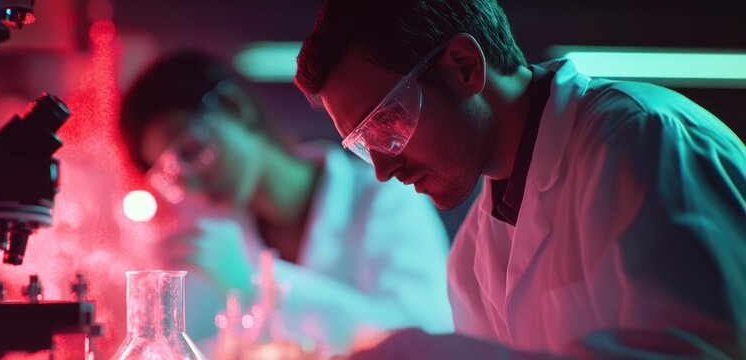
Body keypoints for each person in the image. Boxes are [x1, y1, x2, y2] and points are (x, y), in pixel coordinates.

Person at [294, 0, 746, 358]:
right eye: (362, 142)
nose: (381, 168)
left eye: (387, 125)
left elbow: (708, 349)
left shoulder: (644, 141)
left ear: (465, 66)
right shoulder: (472, 253)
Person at [118, 49, 454, 356]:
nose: (192, 181)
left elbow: (423, 335)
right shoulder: (219, 244)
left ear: (236, 108)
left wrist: (257, 283)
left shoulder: (382, 195)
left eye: (191, 150)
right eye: (171, 176)